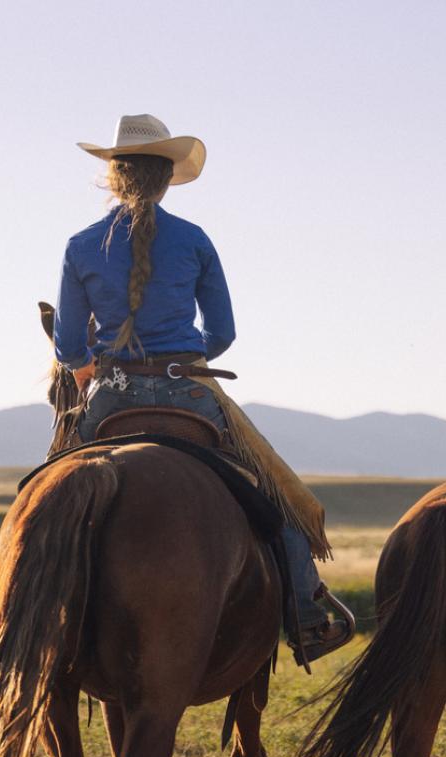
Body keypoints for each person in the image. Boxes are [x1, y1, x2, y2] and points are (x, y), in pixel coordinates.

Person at [53, 113, 351, 663]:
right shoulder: (194, 240)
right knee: (276, 496)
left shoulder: (80, 245)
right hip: (189, 394)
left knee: (49, 499)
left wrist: (87, 366)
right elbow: (224, 332)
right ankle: (308, 616)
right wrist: (185, 360)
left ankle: (35, 614)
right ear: (166, 179)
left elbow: (70, 344)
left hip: (111, 396)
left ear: (113, 177)